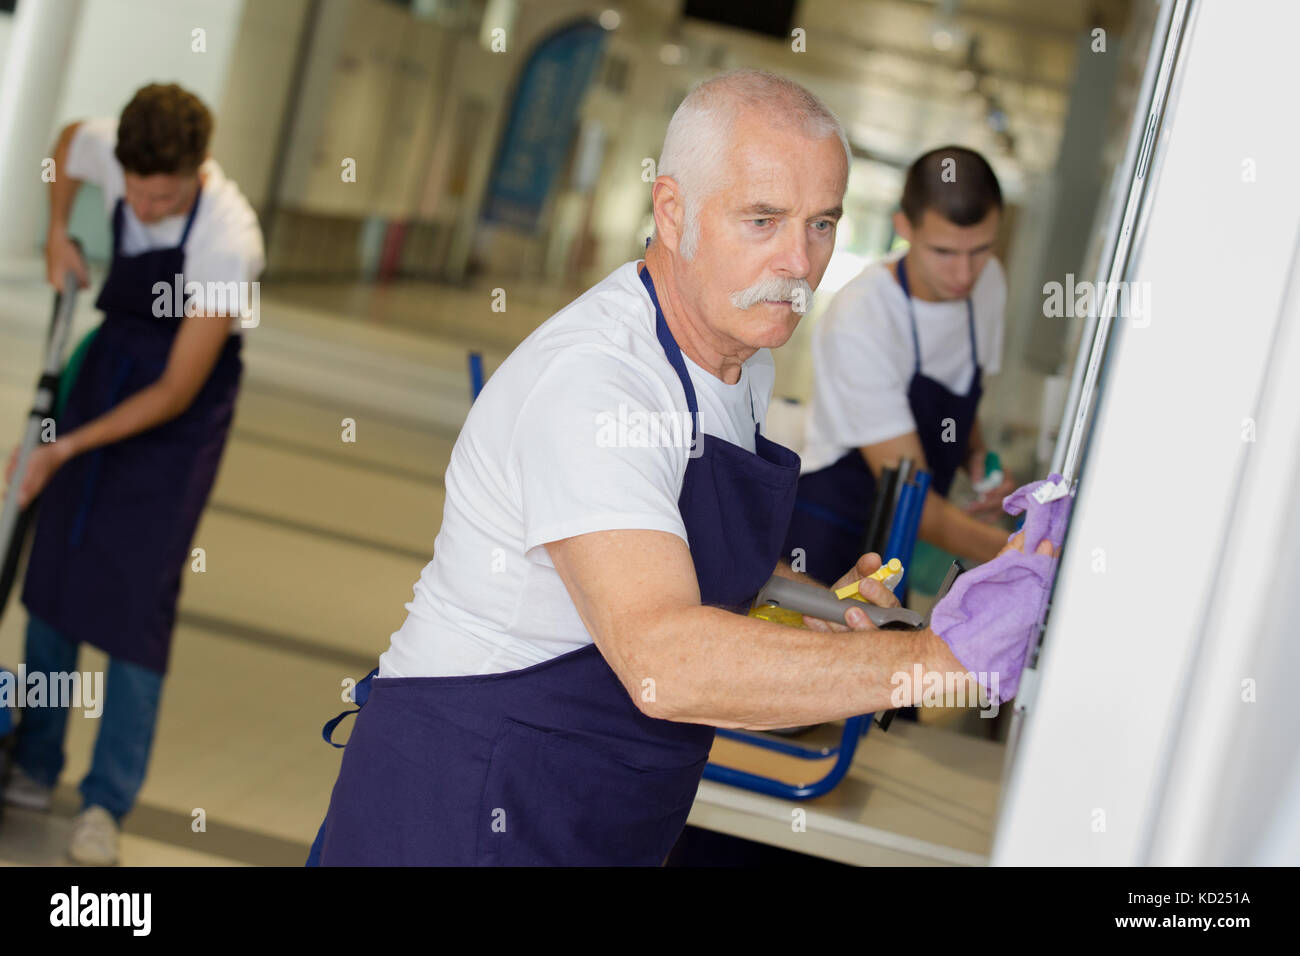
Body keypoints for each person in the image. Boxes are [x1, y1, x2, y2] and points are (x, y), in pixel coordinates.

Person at [307, 70, 1047, 867]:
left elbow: (694, 568)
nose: (798, 262)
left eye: (822, 223)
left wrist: (814, 611)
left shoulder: (739, 359)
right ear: (672, 210)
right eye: (762, 219)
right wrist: (936, 662)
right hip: (467, 801)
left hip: (601, 805)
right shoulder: (601, 383)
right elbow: (665, 661)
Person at [2, 83, 264, 865]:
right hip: (110, 362)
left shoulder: (229, 238)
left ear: (198, 170)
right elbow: (67, 144)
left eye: (165, 195)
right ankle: (34, 762)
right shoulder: (115, 148)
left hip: (178, 417)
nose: (146, 208)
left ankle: (106, 802)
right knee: (53, 570)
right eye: (137, 192)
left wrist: (62, 448)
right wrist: (57, 233)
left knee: (136, 601)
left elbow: (178, 389)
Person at [785, 146, 1016, 588]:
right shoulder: (862, 317)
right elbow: (913, 498)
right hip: (830, 527)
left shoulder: (990, 285)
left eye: (981, 249)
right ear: (904, 227)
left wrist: (978, 463)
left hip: (904, 537)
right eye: (944, 251)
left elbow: (964, 397)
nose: (964, 274)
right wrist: (1023, 554)